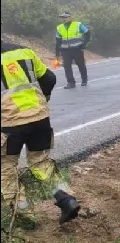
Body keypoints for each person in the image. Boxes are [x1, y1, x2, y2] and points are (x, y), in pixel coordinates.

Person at [1, 41, 81, 228]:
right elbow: (49, 78)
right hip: (39, 118)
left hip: (9, 124)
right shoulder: (24, 51)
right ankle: (66, 200)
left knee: (6, 169)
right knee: (40, 163)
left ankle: (25, 218)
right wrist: (42, 100)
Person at [54, 11, 92, 88]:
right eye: (62, 17)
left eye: (65, 17)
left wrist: (84, 44)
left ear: (70, 17)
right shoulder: (59, 27)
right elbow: (58, 41)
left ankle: (84, 79)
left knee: (81, 64)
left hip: (77, 48)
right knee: (66, 66)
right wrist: (57, 52)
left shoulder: (78, 25)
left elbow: (87, 33)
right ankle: (71, 82)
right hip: (65, 50)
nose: (64, 19)